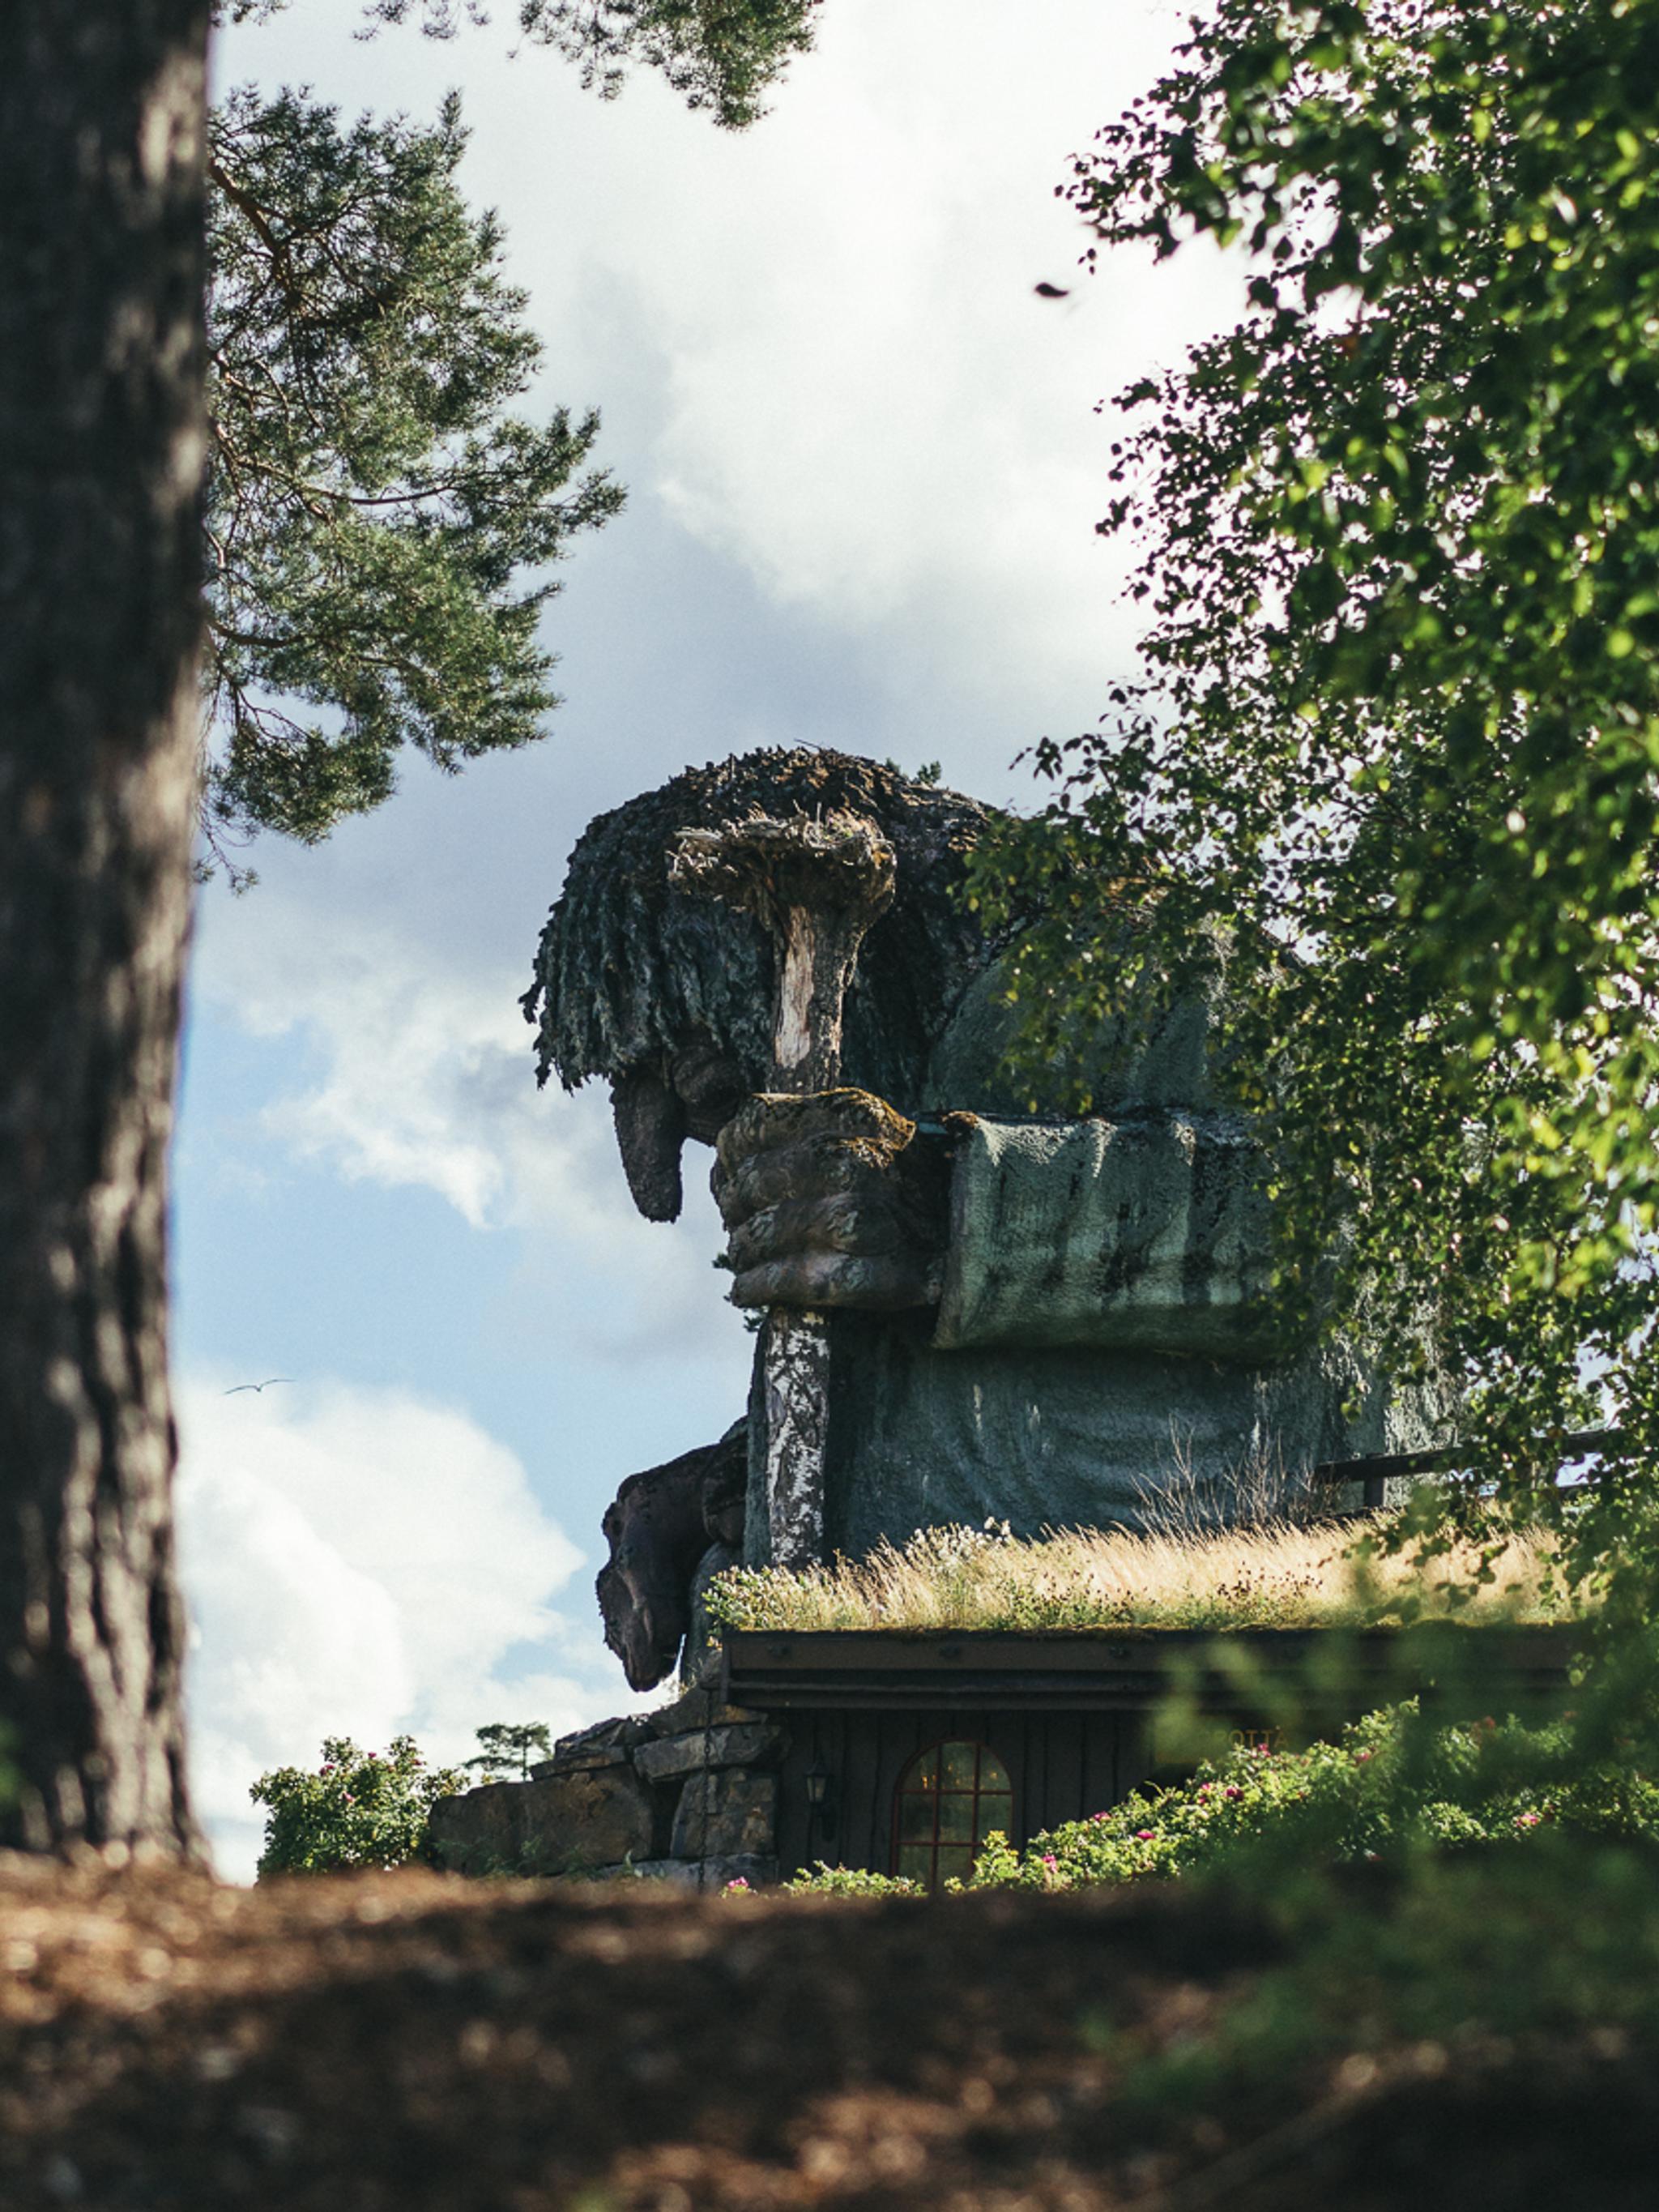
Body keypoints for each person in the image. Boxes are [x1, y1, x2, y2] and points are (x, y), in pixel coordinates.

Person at [527, 749, 1451, 1686]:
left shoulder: (1143, 962)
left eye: (720, 1084)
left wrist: (943, 1203)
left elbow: (1319, 1224)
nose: (727, 1144)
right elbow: (913, 1410)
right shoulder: (917, 1041)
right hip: (859, 1664)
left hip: (1142, 1646)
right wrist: (717, 1492)